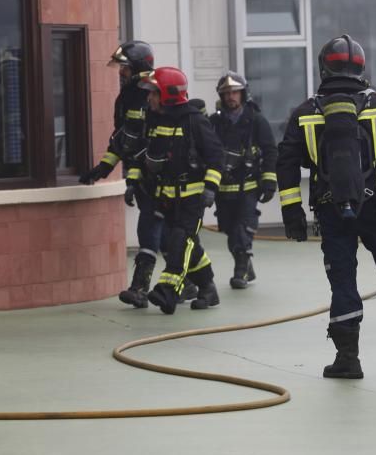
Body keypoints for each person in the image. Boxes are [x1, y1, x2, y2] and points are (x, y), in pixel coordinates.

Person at [276, 34, 376, 379]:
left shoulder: (305, 112)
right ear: (361, 67)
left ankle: (347, 360)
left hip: (330, 208)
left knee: (343, 281)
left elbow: (288, 162)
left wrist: (291, 210)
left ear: (324, 67)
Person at [79, 42, 198, 306]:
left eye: (124, 67)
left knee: (150, 226)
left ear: (138, 67)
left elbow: (142, 139)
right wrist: (105, 168)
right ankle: (188, 283)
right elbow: (124, 138)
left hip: (158, 174)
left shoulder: (148, 94)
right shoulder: (130, 95)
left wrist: (131, 174)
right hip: (142, 173)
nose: (120, 73)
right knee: (163, 230)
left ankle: (141, 287)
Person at [137, 66, 224, 314]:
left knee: (179, 241)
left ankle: (168, 291)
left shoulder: (194, 120)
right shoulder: (155, 120)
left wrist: (210, 187)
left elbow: (216, 156)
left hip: (193, 198)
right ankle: (208, 288)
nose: (149, 98)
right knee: (189, 245)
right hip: (165, 197)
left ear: (168, 94)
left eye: (153, 93)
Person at [210, 71, 278, 289]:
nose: (231, 96)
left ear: (243, 94)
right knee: (230, 232)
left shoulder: (256, 121)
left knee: (242, 229)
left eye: (235, 92)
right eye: (226, 93)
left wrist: (269, 181)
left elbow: (270, 151)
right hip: (223, 189)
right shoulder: (214, 123)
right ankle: (246, 267)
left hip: (248, 187)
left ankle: (240, 272)